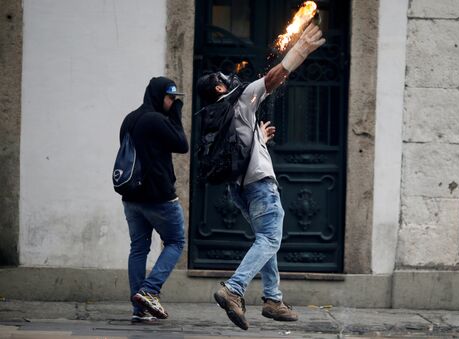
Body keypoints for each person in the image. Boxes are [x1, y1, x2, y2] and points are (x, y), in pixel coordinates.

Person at [196, 23, 325, 330]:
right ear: (218, 88)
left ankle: (273, 299)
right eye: (223, 79)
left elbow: (236, 147)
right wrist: (299, 51)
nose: (230, 79)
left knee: (266, 240)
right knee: (269, 239)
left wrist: (260, 140)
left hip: (239, 189)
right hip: (260, 186)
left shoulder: (219, 114)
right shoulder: (239, 99)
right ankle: (233, 289)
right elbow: (273, 78)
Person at [118, 76, 189, 323]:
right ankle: (149, 291)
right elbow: (182, 144)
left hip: (131, 197)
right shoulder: (156, 120)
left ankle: (139, 309)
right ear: (159, 96)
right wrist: (177, 114)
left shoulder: (130, 118)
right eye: (171, 98)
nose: (172, 102)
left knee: (138, 248)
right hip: (158, 197)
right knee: (176, 241)